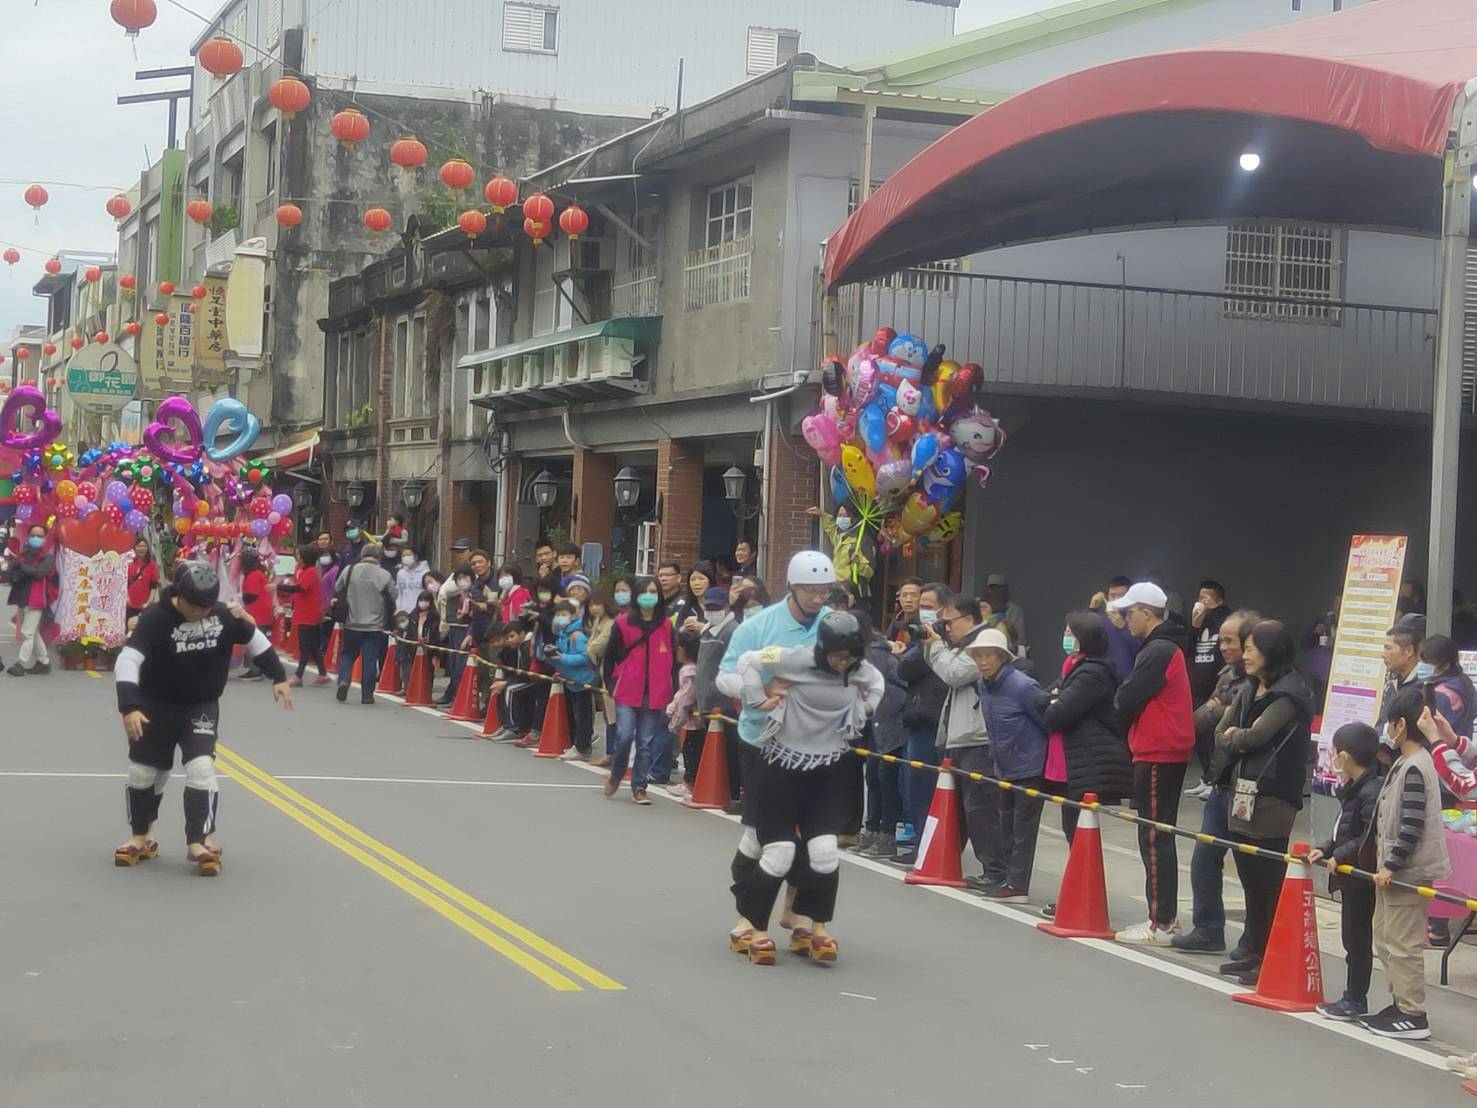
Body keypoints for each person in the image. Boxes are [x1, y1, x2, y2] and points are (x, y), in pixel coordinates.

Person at [113, 561, 293, 874]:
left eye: (205, 607)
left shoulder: (222, 614)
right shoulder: (155, 619)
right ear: (178, 595)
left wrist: (278, 676)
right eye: (193, 606)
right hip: (154, 705)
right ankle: (141, 837)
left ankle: (198, 841)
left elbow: (254, 639)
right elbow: (129, 660)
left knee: (201, 768)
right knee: (143, 772)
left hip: (200, 705)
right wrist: (129, 706)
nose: (199, 613)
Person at [729, 609, 883, 965]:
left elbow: (878, 684)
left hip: (826, 770)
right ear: (822, 648)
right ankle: (756, 927)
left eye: (849, 657)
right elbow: (749, 661)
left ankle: (818, 926)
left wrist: (866, 708)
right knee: (778, 853)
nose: (842, 663)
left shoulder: (860, 671)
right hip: (780, 769)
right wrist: (759, 697)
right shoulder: (793, 659)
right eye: (836, 656)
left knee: (826, 853)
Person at [718, 551, 836, 953]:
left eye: (825, 592)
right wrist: (759, 692)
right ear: (793, 587)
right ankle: (748, 918)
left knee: (817, 836)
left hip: (817, 742)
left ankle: (798, 913)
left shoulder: (832, 626)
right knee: (763, 833)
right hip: (763, 740)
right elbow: (725, 676)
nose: (819, 599)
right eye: (811, 591)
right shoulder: (760, 625)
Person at [1210, 620, 1314, 986]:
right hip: (1242, 791)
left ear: (1271, 652)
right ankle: (1253, 950)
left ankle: (1269, 954)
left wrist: (1233, 736)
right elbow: (1221, 730)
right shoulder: (1251, 686)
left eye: (1251, 647)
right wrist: (1234, 736)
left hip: (1273, 796)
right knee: (1250, 880)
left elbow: (1253, 737)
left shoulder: (1289, 695)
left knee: (1267, 880)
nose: (1246, 653)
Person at [1357, 686, 1449, 1040]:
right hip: (1394, 873)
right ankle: (1399, 1004)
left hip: (1406, 874)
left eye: (1390, 724)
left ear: (1399, 725)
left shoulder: (1414, 767)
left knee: (1403, 944)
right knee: (1386, 938)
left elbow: (1412, 825)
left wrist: (1391, 865)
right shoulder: (1405, 761)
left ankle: (1413, 1013)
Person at [1110, 581, 1195, 944]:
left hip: (1159, 749)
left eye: (1130, 612)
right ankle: (1163, 917)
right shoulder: (1162, 645)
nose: (1126, 618)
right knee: (1155, 834)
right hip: (1157, 748)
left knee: (1154, 835)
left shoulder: (1158, 648)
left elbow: (1126, 696)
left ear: (1147, 612)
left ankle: (1161, 921)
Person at [1173, 609, 1258, 954]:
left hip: (1247, 785)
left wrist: (1218, 713)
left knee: (1251, 868)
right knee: (1204, 858)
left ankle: (1255, 941)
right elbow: (1207, 718)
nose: (1223, 646)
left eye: (1230, 640)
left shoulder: (1257, 683)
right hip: (1219, 780)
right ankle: (1208, 928)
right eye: (1220, 639)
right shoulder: (1226, 674)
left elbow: (1226, 721)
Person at [923, 593, 998, 892]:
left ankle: (995, 869)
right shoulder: (961, 644)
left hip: (978, 740)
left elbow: (953, 674)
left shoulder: (983, 644)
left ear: (968, 619)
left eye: (948, 621)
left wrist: (937, 646)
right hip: (963, 738)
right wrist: (935, 646)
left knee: (980, 809)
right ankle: (949, 861)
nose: (945, 628)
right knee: (964, 809)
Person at [1309, 722, 1383, 1022]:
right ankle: (1352, 996)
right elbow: (1345, 829)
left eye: (1335, 752)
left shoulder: (1371, 790)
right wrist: (1326, 848)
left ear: (1347, 756)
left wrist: (1339, 854)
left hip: (1361, 875)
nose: (1333, 757)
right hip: (1350, 872)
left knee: (1357, 938)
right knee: (1352, 937)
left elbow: (1367, 836)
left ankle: (1355, 998)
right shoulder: (1354, 787)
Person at [966, 627, 1048, 900]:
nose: (983, 661)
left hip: (1029, 765)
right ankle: (1006, 878)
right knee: (1006, 824)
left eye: (989, 655)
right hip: (1003, 764)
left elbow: (1045, 722)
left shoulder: (1023, 686)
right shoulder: (982, 684)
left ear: (1002, 657)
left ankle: (1018, 885)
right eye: (979, 656)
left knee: (1023, 828)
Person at [1039, 612, 1132, 847]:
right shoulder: (1071, 667)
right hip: (1070, 759)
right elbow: (1041, 698)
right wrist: (1051, 700)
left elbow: (1056, 714)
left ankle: (1084, 881)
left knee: (1078, 829)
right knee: (1071, 826)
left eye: (1072, 634)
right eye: (1065, 633)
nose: (1066, 638)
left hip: (1087, 760)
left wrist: (1052, 701)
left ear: (1087, 638)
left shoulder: (1093, 672)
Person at [603, 577, 674, 804]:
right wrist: (609, 683)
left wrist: (673, 689)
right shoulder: (623, 623)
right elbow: (610, 656)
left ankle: (639, 786)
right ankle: (617, 772)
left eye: (654, 592)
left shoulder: (666, 624)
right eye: (644, 592)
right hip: (627, 690)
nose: (649, 596)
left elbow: (672, 658)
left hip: (655, 692)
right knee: (624, 736)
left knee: (646, 742)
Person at [893, 583, 951, 863]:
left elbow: (906, 666)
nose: (922, 611)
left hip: (932, 717)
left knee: (924, 784)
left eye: (928, 606)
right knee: (914, 785)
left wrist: (926, 642)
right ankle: (922, 845)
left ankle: (927, 849)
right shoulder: (922, 635)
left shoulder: (941, 637)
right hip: (919, 716)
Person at [857, 614, 908, 858]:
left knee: (885, 777)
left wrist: (886, 706)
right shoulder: (863, 654)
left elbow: (903, 685)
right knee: (873, 776)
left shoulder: (878, 656)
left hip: (891, 725)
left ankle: (887, 834)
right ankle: (872, 830)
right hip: (874, 724)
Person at [333, 543, 397, 705]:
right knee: (370, 659)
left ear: (362, 554)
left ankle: (344, 679)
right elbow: (393, 595)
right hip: (375, 625)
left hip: (351, 622)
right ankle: (367, 695)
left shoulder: (349, 570)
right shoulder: (384, 574)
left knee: (348, 654)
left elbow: (337, 587)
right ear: (378, 556)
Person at [547, 598, 596, 763]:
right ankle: (577, 744)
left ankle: (583, 747)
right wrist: (554, 661)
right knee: (574, 715)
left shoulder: (578, 635)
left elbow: (585, 657)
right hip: (569, 680)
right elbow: (560, 657)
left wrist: (564, 658)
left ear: (574, 615)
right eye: (558, 615)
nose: (560, 617)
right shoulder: (561, 635)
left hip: (582, 681)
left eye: (564, 614)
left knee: (583, 717)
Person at [6, 523, 57, 676]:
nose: (36, 538)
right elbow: (11, 572)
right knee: (33, 632)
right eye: (33, 535)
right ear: (28, 537)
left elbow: (40, 573)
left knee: (27, 633)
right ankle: (44, 662)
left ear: (45, 538)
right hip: (22, 597)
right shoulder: (23, 555)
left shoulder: (47, 558)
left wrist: (24, 567)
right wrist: (17, 566)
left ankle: (21, 663)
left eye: (40, 536)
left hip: (37, 599)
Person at [280, 544, 330, 688]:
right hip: (307, 612)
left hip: (307, 613)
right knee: (313, 645)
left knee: (304, 646)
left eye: (299, 555)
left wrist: (279, 586)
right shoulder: (307, 571)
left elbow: (300, 588)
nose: (298, 558)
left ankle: (298, 675)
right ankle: (322, 673)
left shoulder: (310, 572)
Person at [665, 629, 703, 798]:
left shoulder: (689, 671)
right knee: (691, 750)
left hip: (693, 720)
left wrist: (675, 722)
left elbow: (686, 697)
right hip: (694, 719)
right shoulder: (695, 668)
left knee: (691, 751)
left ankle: (689, 783)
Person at [1420, 634, 1476, 741]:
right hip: (1460, 749)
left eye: (1428, 662)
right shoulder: (1463, 683)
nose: (1423, 665)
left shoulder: (1442, 694)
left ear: (1445, 664)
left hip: (1440, 750)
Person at [1378, 620, 1423, 749]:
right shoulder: (1392, 681)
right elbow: (1383, 720)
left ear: (1408, 651)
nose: (1383, 655)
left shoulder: (1423, 687)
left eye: (1388, 648)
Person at [237, 550, 276, 681]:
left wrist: (240, 598)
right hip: (262, 610)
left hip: (257, 611)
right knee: (260, 639)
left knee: (255, 640)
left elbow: (252, 594)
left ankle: (256, 670)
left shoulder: (253, 574)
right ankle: (261, 669)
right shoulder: (259, 572)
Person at [983, 573, 1026, 647]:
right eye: (992, 588)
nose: (994, 592)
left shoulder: (1014, 610)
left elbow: (1020, 640)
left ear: (1005, 590)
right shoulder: (982, 608)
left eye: (998, 588)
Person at [126, 538, 160, 622]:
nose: (142, 548)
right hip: (129, 604)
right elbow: (124, 582)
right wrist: (126, 598)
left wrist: (149, 601)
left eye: (144, 546)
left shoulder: (152, 565)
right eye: (139, 546)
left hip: (144, 605)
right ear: (134, 548)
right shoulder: (128, 563)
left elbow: (153, 585)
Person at [395, 545, 430, 615]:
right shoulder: (400, 574)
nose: (405, 557)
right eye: (403, 555)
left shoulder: (426, 573)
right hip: (404, 612)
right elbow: (399, 593)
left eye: (408, 555)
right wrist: (398, 608)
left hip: (420, 611)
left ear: (416, 557)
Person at [886, 577, 923, 643]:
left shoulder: (924, 624)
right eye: (904, 595)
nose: (908, 600)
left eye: (914, 595)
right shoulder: (897, 621)